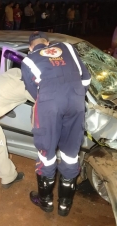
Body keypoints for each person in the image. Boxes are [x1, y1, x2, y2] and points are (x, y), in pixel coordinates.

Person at [21, 31, 91, 216]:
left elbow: (33, 93)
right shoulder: (67, 47)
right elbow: (86, 78)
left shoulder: (28, 60)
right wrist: (72, 94)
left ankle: (46, 202)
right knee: (70, 154)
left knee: (46, 153)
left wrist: (52, 101)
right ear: (48, 42)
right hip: (76, 102)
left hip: (49, 105)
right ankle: (64, 206)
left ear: (31, 47)